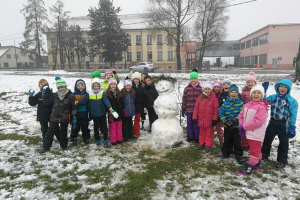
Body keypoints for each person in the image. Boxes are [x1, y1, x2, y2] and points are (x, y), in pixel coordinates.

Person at [261, 79, 298, 168]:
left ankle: (282, 160)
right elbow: (263, 101)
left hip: (284, 124)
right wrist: (264, 91)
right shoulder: (273, 97)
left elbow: (293, 115)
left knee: (283, 143)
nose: (283, 88)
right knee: (267, 139)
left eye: (285, 87)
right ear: (277, 87)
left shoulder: (292, 101)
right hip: (273, 122)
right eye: (281, 86)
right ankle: (264, 154)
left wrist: (292, 126)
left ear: (288, 89)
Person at [236, 85, 269, 175]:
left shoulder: (262, 107)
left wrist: (244, 126)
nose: (256, 94)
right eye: (254, 92)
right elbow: (241, 115)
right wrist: (241, 125)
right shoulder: (247, 105)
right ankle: (257, 165)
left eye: (259, 93)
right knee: (255, 149)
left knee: (254, 151)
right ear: (251, 94)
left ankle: (249, 168)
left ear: (262, 95)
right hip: (249, 132)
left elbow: (258, 122)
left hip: (256, 133)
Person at [39, 77, 77, 153]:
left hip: (65, 117)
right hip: (55, 117)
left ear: (65, 87)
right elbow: (48, 102)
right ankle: (46, 147)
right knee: (50, 132)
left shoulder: (71, 96)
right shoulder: (54, 96)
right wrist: (44, 94)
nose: (61, 89)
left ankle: (64, 146)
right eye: (59, 88)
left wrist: (74, 115)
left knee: (63, 132)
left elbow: (74, 107)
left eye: (62, 87)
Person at [219, 84, 244, 164]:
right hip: (227, 126)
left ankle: (238, 155)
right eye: (231, 92)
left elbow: (241, 113)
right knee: (227, 140)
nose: (233, 94)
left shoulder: (240, 103)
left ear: (237, 94)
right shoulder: (226, 103)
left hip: (236, 126)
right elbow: (220, 112)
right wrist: (224, 120)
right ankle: (226, 153)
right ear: (229, 93)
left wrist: (234, 120)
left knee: (237, 141)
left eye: (235, 92)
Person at [28, 79, 57, 144]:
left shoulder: (52, 94)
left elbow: (53, 103)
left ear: (48, 85)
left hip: (51, 114)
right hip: (42, 115)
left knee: (54, 128)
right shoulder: (39, 95)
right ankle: (45, 142)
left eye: (45, 83)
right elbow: (32, 103)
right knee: (44, 129)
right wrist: (31, 97)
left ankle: (58, 139)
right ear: (39, 86)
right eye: (41, 84)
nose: (43, 85)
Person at [193, 82, 219, 153]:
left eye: (208, 89)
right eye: (205, 89)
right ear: (203, 90)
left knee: (209, 134)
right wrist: (195, 117)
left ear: (211, 90)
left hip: (210, 121)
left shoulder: (214, 99)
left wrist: (214, 119)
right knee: (202, 133)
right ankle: (202, 144)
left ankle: (208, 145)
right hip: (201, 120)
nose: (207, 91)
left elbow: (216, 110)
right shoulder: (200, 98)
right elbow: (196, 108)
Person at [89, 77, 115, 147]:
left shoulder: (102, 93)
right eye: (95, 86)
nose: (96, 87)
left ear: (99, 86)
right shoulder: (90, 94)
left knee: (104, 127)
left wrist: (110, 107)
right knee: (96, 127)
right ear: (92, 86)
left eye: (97, 86)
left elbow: (106, 101)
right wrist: (89, 112)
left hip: (102, 113)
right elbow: (88, 104)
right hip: (94, 115)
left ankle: (105, 139)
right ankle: (97, 139)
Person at [182, 71, 202, 142]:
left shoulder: (200, 89)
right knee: (189, 124)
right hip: (189, 109)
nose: (193, 80)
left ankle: (197, 137)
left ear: (197, 79)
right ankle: (190, 137)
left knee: (196, 124)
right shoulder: (187, 88)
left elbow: (202, 100)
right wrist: (183, 108)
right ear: (190, 79)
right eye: (192, 78)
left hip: (197, 111)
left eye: (195, 78)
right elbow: (184, 99)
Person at [105, 78, 125, 145]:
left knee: (119, 126)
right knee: (113, 127)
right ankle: (113, 139)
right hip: (112, 113)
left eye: (114, 84)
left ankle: (119, 138)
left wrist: (123, 109)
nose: (113, 85)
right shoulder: (107, 94)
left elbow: (122, 102)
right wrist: (110, 110)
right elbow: (106, 104)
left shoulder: (119, 93)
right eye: (111, 84)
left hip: (119, 112)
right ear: (109, 85)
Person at [241, 72, 257, 151]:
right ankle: (244, 144)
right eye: (249, 82)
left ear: (255, 83)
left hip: (255, 112)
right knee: (245, 127)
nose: (250, 84)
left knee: (253, 128)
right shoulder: (244, 92)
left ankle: (251, 143)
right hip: (246, 112)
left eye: (252, 82)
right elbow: (242, 102)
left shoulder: (257, 91)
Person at [70, 79, 90, 146]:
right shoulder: (73, 94)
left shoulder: (86, 94)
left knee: (85, 127)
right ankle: (74, 138)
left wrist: (78, 102)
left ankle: (86, 138)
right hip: (76, 114)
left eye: (82, 85)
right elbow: (72, 102)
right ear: (76, 86)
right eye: (79, 85)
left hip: (84, 113)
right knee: (75, 127)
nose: (80, 87)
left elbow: (85, 100)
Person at [130, 72, 146, 137]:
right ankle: (131, 131)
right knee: (130, 120)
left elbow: (144, 97)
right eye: (135, 79)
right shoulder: (131, 86)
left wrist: (144, 106)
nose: (136, 80)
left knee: (137, 119)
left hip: (139, 106)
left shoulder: (141, 87)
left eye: (137, 79)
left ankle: (136, 132)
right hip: (132, 105)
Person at [212, 80, 224, 147]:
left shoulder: (221, 95)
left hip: (219, 115)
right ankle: (210, 142)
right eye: (215, 87)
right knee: (211, 129)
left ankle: (221, 141)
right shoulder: (211, 95)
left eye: (218, 87)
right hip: (212, 115)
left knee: (219, 129)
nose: (216, 88)